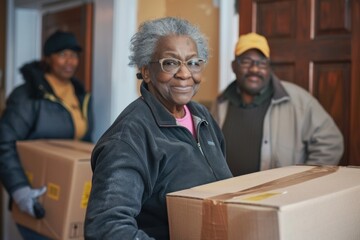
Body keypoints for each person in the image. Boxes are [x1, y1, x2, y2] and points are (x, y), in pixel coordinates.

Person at [84, 17, 232, 240]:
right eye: (170, 63)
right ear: (146, 72)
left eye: (193, 63)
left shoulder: (202, 116)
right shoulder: (129, 137)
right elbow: (106, 227)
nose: (185, 74)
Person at [0, 30, 93, 239]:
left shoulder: (81, 96)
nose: (70, 61)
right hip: (36, 195)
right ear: (48, 58)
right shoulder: (28, 95)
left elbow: (83, 143)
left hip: (70, 194)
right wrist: (19, 190)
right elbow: (4, 143)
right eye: (62, 54)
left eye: (74, 54)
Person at [211, 32, 344, 176]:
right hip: (225, 194)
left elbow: (331, 142)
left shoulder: (298, 101)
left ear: (269, 67)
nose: (254, 69)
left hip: (279, 197)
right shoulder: (220, 102)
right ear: (233, 66)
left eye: (262, 63)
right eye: (246, 61)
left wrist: (305, 179)